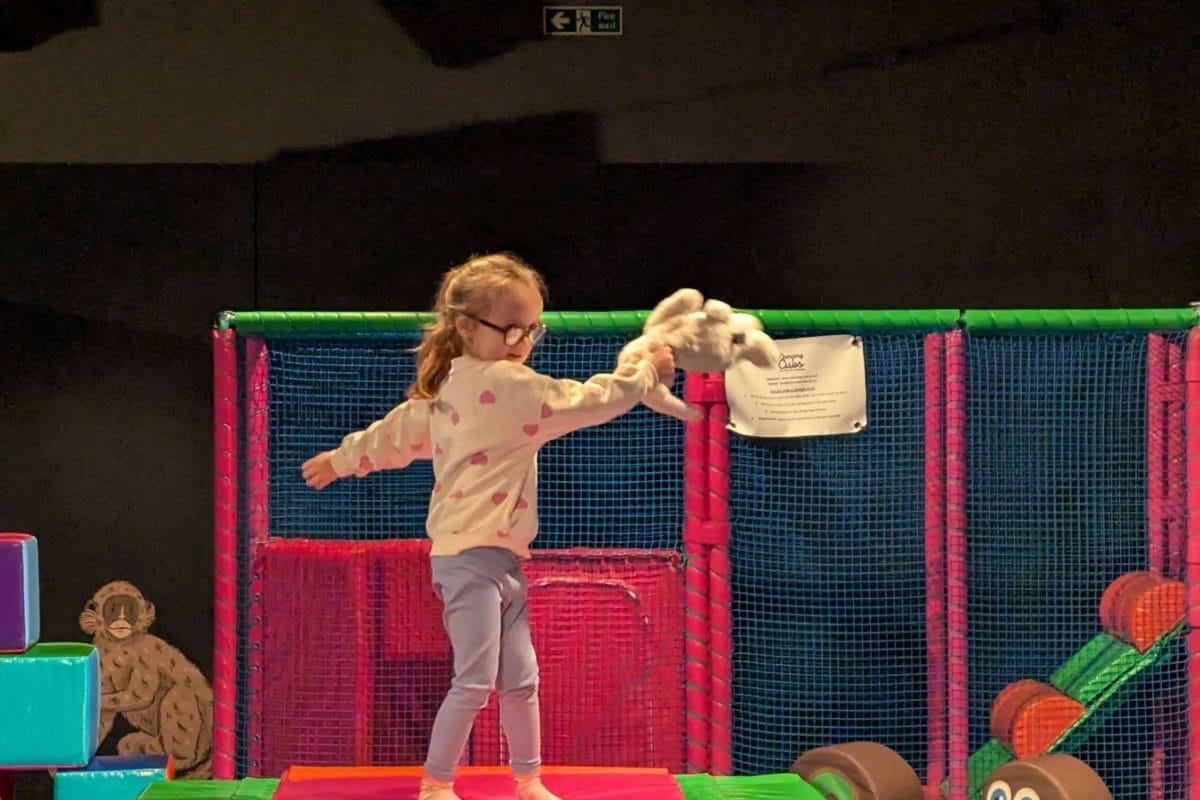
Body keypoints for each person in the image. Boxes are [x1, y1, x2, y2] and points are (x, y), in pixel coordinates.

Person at [302, 252, 676, 800]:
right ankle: (435, 785)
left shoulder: (454, 388)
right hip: (468, 560)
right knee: (476, 680)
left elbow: (398, 433)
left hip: (502, 560)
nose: (524, 341)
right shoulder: (504, 385)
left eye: (532, 329)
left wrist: (342, 459)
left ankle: (527, 780)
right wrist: (645, 374)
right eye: (512, 329)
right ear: (465, 326)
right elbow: (592, 400)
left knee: (522, 680)